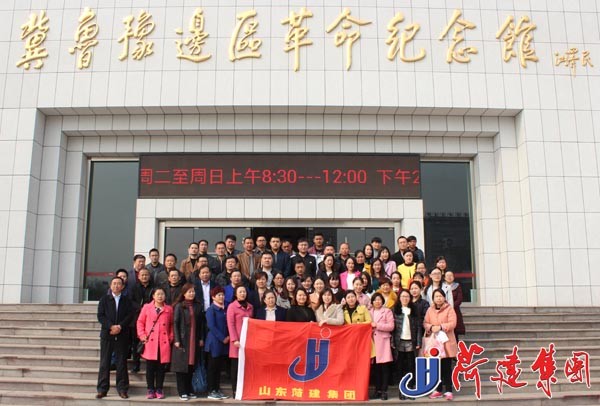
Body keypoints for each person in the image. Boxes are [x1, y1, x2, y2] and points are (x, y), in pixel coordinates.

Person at [96, 276, 134, 399]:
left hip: (122, 335)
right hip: (107, 335)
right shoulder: (104, 299)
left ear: (123, 286)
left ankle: (122, 389)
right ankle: (102, 389)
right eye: (114, 283)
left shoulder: (127, 300)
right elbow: (100, 316)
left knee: (121, 363)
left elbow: (130, 315)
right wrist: (111, 326)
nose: (116, 286)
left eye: (119, 284)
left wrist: (120, 326)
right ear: (110, 286)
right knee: (105, 362)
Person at [136, 287, 174, 400]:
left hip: (163, 342)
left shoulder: (169, 309)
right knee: (150, 368)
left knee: (161, 368)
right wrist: (142, 335)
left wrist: (170, 337)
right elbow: (140, 322)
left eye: (162, 294)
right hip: (150, 342)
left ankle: (159, 389)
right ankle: (150, 389)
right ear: (153, 296)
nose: (160, 296)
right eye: (158, 294)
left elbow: (172, 324)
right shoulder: (147, 307)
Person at [424, 288, 458, 401]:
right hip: (435, 343)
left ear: (444, 297)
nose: (438, 298)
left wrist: (441, 327)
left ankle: (448, 390)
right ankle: (437, 390)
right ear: (433, 299)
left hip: (446, 342)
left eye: (440, 296)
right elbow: (425, 322)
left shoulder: (449, 309)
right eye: (436, 296)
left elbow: (453, 323)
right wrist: (431, 327)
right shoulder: (430, 310)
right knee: (436, 368)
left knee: (447, 367)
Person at [172, 284, 204, 401]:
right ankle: (182, 391)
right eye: (189, 292)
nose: (192, 294)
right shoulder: (179, 306)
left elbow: (201, 324)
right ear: (184, 293)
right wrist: (177, 339)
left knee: (191, 366)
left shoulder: (198, 306)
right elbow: (175, 323)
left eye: (193, 292)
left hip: (194, 339)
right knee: (181, 367)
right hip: (183, 339)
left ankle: (189, 389)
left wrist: (201, 338)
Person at [392, 289, 422, 400]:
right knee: (400, 366)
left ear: (410, 298)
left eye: (407, 296)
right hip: (399, 341)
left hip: (411, 341)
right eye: (403, 296)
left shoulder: (414, 310)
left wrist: (418, 342)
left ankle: (410, 388)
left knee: (411, 365)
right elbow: (392, 329)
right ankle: (401, 389)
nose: (405, 298)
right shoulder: (394, 310)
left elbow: (419, 327)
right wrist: (392, 342)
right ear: (399, 298)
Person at [226, 285, 254, 396]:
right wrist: (234, 339)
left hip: (248, 340)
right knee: (236, 367)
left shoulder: (250, 306)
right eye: (240, 292)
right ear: (235, 294)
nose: (243, 294)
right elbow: (230, 324)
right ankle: (235, 390)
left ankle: (246, 389)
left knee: (246, 366)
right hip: (237, 341)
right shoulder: (232, 307)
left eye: (244, 292)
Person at [204, 287, 230, 400]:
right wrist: (222, 337)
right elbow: (211, 326)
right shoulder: (211, 310)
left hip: (224, 342)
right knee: (212, 368)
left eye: (222, 295)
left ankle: (217, 389)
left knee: (219, 368)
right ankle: (211, 390)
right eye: (219, 295)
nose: (221, 297)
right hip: (214, 342)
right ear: (213, 297)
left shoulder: (226, 308)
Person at [370, 292, 394, 401]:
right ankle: (377, 390)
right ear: (372, 302)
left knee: (384, 368)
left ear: (382, 301)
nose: (377, 302)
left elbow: (391, 326)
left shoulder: (387, 311)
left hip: (383, 342)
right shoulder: (369, 312)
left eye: (379, 299)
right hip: (372, 342)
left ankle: (384, 391)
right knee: (376, 368)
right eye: (375, 300)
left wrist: (377, 325)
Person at [130, 268, 154, 373]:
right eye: (142, 275)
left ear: (149, 276)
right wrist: (142, 308)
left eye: (146, 275)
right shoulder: (134, 288)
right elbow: (130, 301)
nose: (144, 277)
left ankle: (151, 365)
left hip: (151, 318)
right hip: (136, 317)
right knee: (135, 342)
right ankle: (136, 364)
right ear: (138, 277)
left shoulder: (154, 288)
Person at [443, 271, 465, 341]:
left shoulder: (457, 286)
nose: (449, 277)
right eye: (447, 276)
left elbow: (459, 299)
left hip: (455, 310)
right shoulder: (442, 287)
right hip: (443, 310)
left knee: (455, 330)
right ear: (444, 277)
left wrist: (451, 306)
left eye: (451, 276)